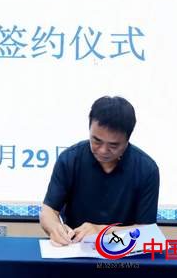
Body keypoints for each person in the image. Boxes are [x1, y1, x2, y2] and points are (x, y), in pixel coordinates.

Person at [40, 96, 159, 246]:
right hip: (75, 249)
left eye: (113, 145)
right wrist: (55, 228)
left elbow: (147, 231)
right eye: (96, 140)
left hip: (124, 251)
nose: (103, 150)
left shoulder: (147, 170)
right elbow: (48, 211)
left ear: (127, 140)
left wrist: (102, 231)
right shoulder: (69, 160)